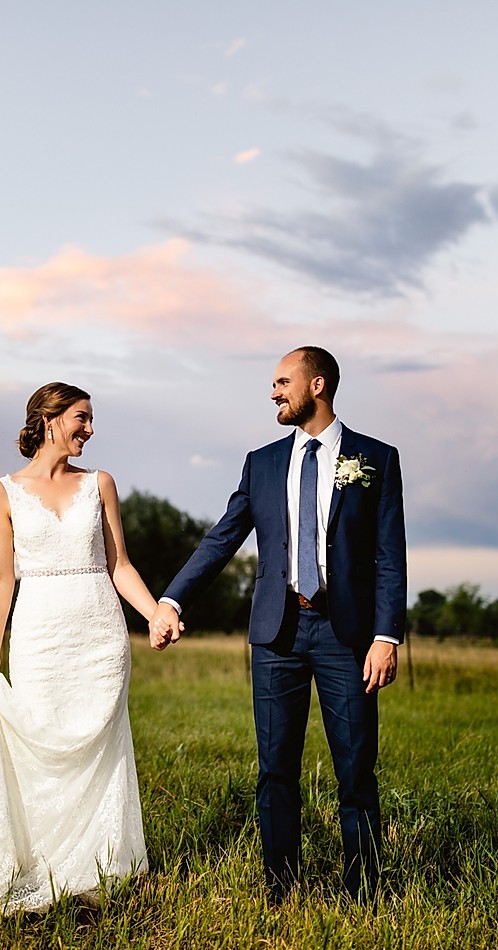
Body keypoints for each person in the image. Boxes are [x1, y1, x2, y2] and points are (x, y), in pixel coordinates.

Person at [150, 346, 406, 902]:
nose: (273, 393)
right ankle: (280, 891)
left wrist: (386, 637)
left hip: (349, 637)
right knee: (275, 771)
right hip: (276, 635)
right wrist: (172, 601)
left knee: (356, 771)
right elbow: (223, 538)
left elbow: (389, 555)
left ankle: (363, 892)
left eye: (282, 382)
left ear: (317, 385)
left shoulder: (376, 459)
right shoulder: (261, 463)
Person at [0, 382, 169, 914]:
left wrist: (154, 613)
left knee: (102, 752)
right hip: (38, 638)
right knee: (42, 748)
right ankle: (46, 866)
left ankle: (99, 870)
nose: (89, 428)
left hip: (100, 637)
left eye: (90, 418)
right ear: (49, 418)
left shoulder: (100, 483)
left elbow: (119, 565)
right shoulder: (2, 493)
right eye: (81, 417)